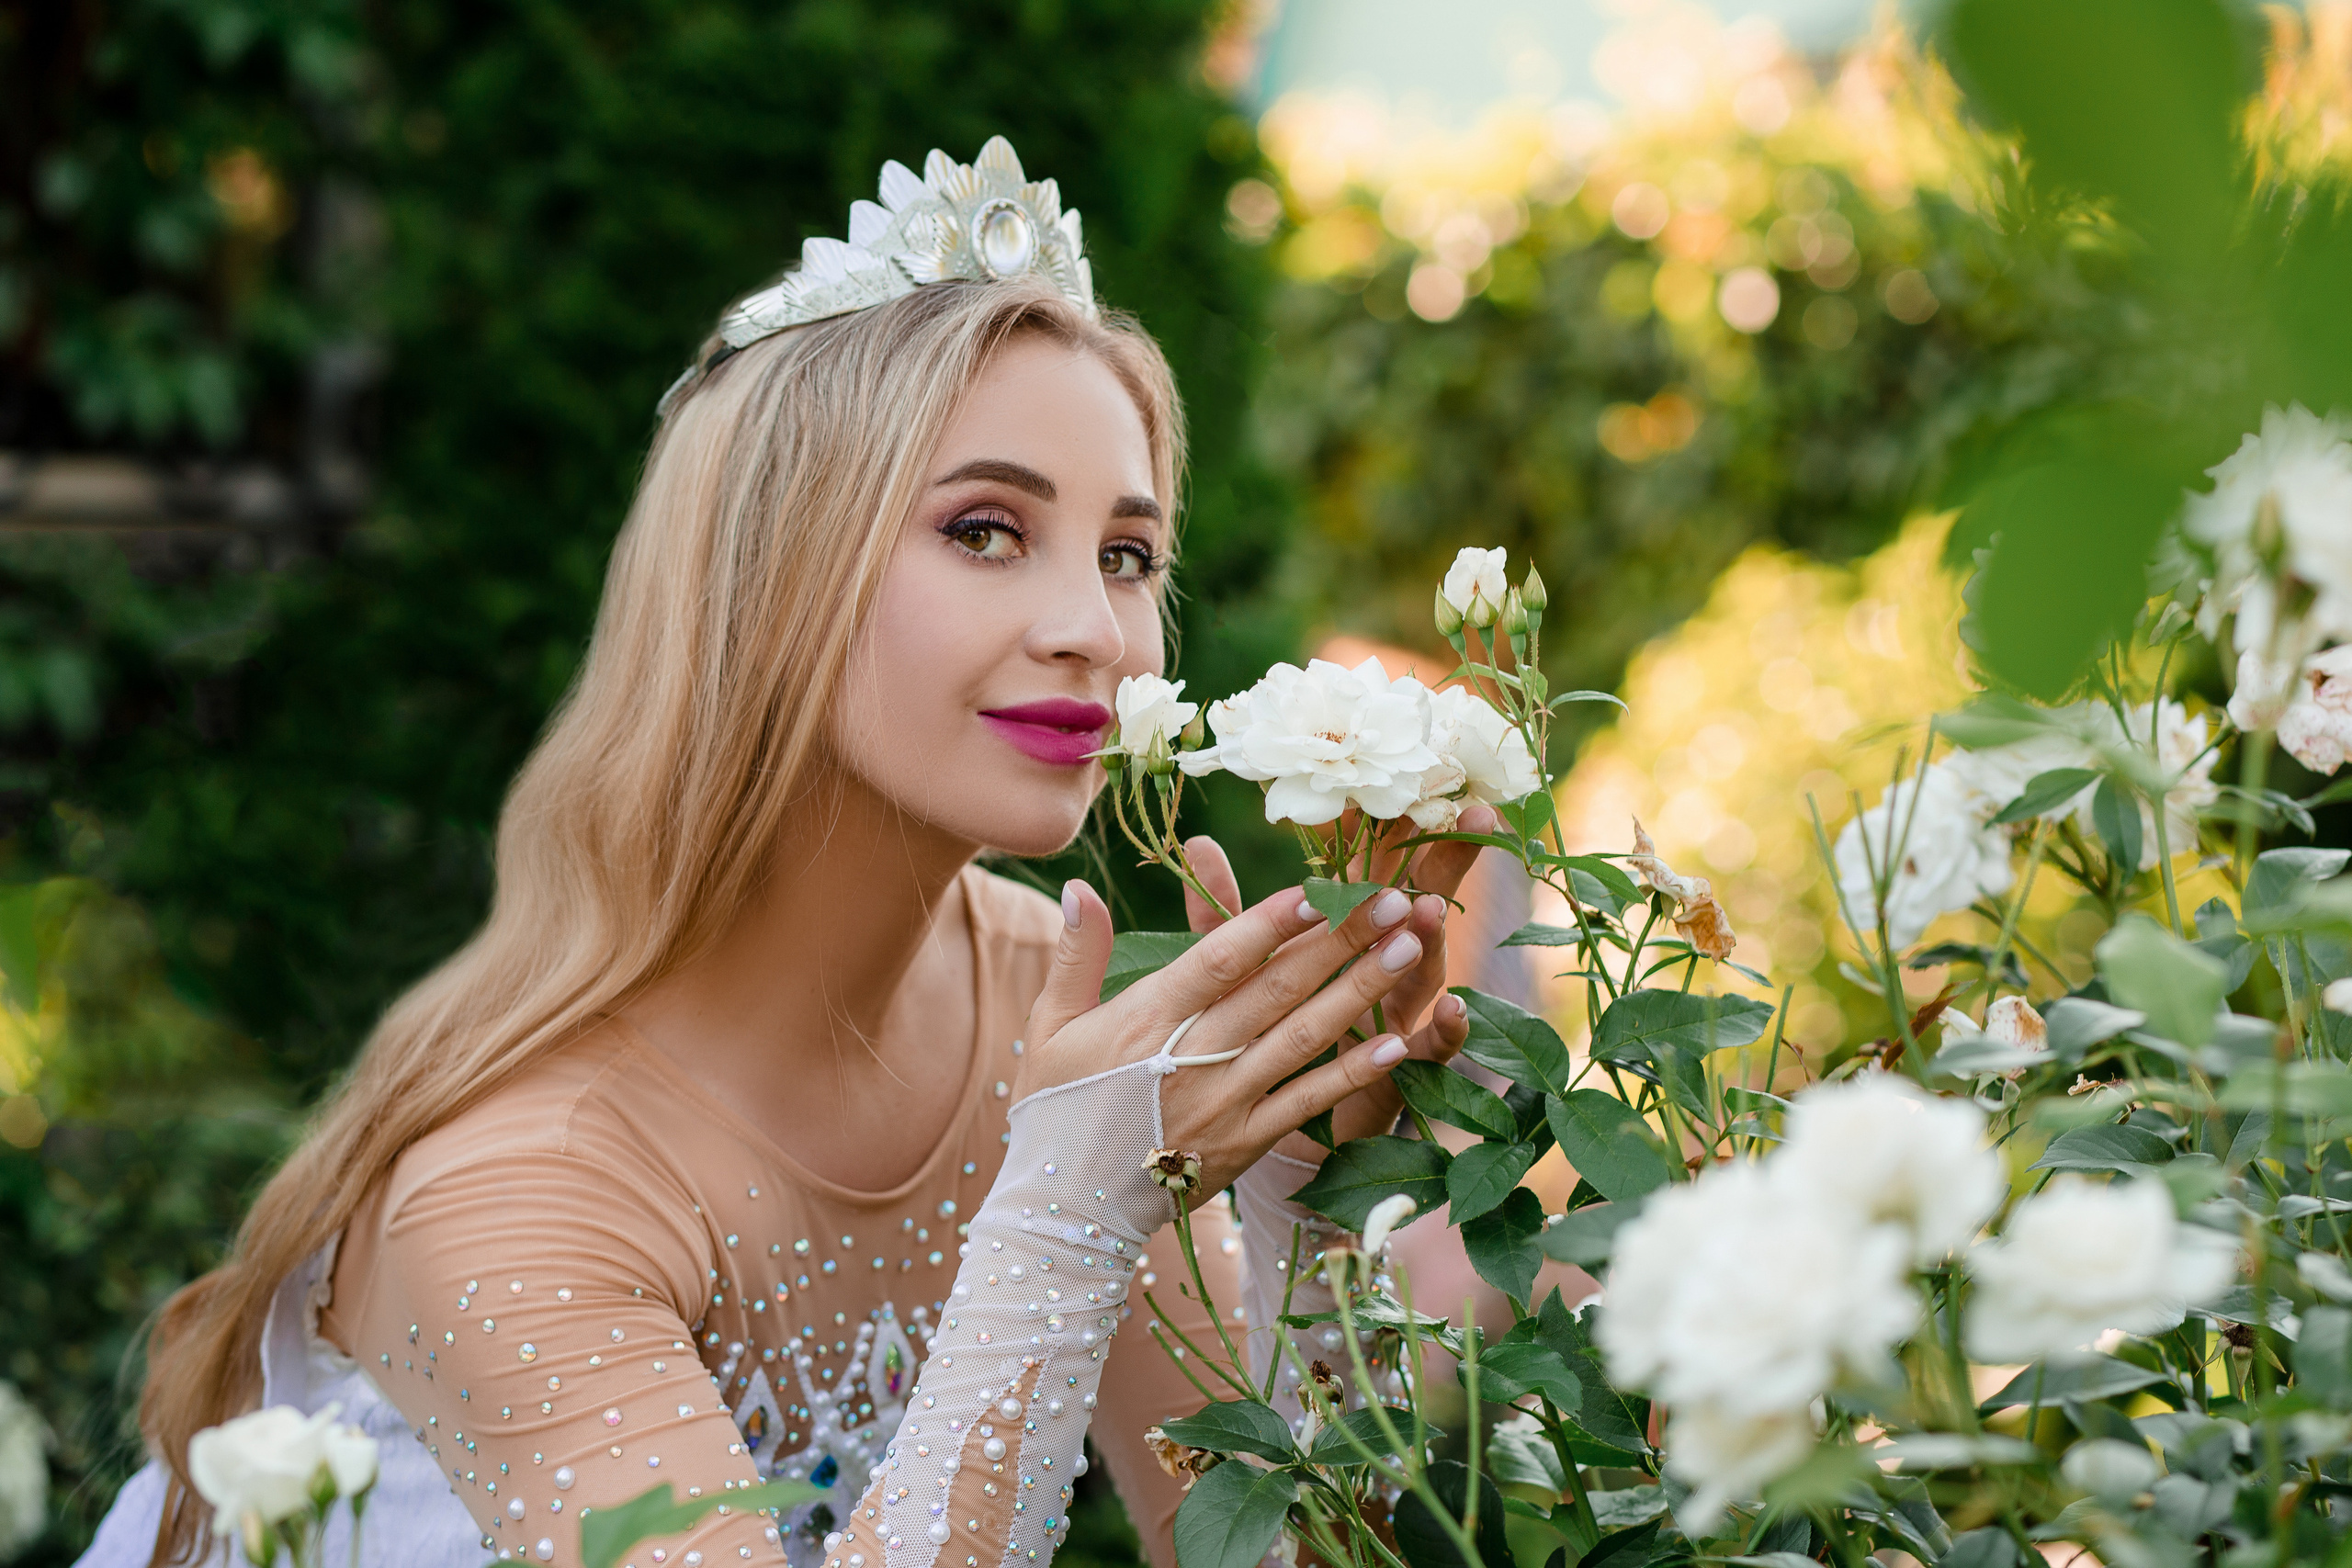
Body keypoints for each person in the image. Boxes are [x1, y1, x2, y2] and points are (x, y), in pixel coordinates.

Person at [78, 139, 1489, 1568]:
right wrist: (1069, 1217)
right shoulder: (520, 1184)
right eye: (985, 531)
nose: (1094, 631)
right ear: (765, 575)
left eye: (1127, 554)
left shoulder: (1037, 1011)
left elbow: (1273, 1554)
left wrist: (1308, 1202)